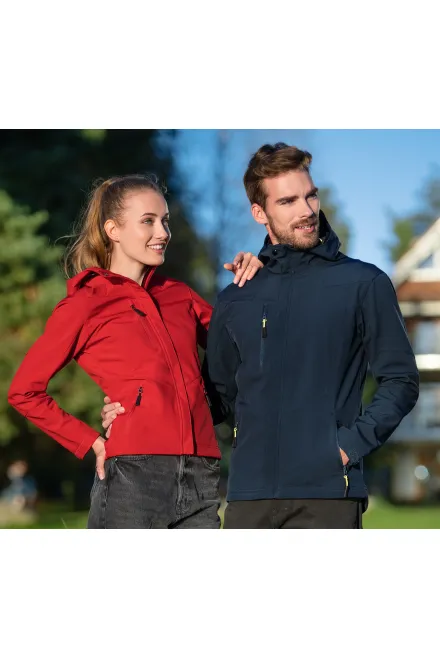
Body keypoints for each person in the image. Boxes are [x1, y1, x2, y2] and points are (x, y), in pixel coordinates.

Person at [8, 174, 263, 529]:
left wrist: (253, 287)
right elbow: (24, 391)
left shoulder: (179, 295)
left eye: (165, 221)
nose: (163, 232)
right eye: (148, 221)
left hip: (201, 472)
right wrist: (90, 441)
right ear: (113, 230)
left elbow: (247, 349)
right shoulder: (85, 303)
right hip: (132, 475)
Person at [204, 143, 419, 529]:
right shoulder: (236, 297)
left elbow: (401, 380)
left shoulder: (363, 282)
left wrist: (348, 446)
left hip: (328, 493)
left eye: (310, 195)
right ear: (260, 213)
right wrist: (134, 401)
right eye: (287, 201)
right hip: (249, 496)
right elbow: (216, 398)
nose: (306, 211)